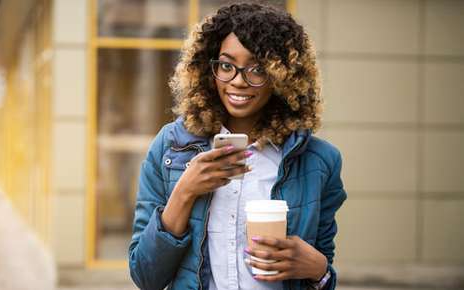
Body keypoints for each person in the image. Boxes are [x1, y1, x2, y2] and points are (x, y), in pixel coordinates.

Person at [128, 3, 347, 290]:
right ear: (209, 68)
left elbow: (323, 276)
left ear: (282, 76)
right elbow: (146, 277)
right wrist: (184, 192)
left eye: (257, 69)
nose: (238, 81)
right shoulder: (171, 148)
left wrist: (319, 270)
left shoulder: (319, 161)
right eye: (226, 66)